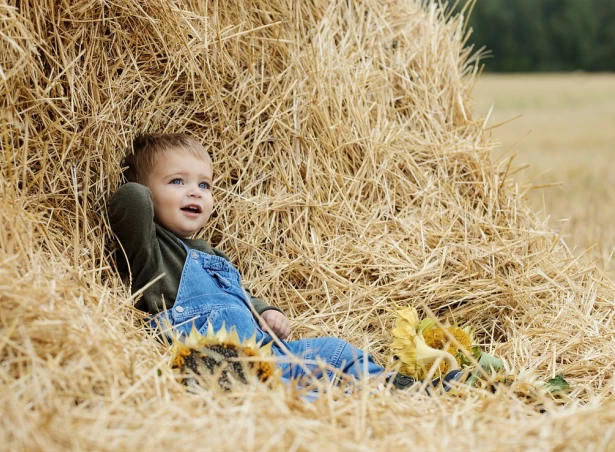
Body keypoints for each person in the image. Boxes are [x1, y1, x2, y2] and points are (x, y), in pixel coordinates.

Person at [108, 133, 461, 391]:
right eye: (177, 181)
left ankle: (400, 388)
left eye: (205, 184)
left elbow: (241, 298)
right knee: (294, 395)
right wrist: (142, 184)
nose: (195, 192)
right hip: (216, 366)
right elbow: (131, 200)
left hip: (265, 355)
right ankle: (341, 403)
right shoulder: (152, 251)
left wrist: (267, 311)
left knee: (334, 351)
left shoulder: (212, 255)